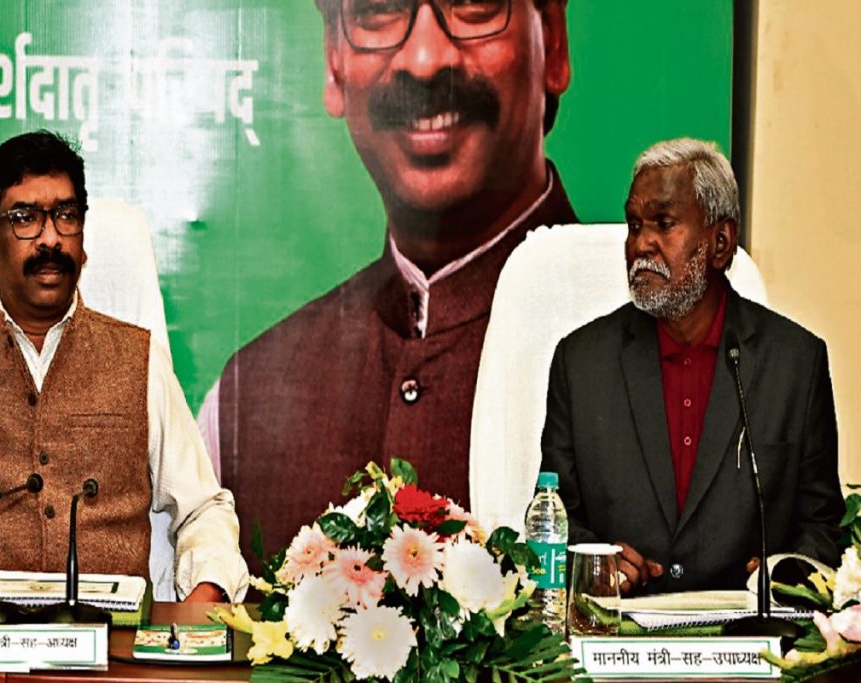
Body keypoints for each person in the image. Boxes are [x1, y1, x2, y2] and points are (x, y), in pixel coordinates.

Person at [199, 0, 577, 567]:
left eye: (472, 5)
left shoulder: (657, 345)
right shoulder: (241, 402)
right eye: (379, 8)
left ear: (554, 41)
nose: (424, 59)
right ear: (333, 61)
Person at [0, 131, 247, 602]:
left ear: (83, 241)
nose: (51, 237)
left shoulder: (141, 360)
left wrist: (204, 596)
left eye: (66, 216)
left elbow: (204, 510)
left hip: (112, 641)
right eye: (25, 218)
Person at [541, 138, 843, 594]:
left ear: (720, 243)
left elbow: (821, 526)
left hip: (747, 628)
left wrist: (783, 575)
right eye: (634, 225)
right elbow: (554, 517)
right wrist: (596, 564)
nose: (641, 244)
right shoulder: (581, 363)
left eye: (664, 224)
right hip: (622, 627)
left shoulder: (795, 363)